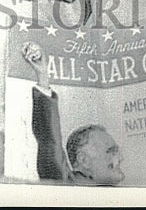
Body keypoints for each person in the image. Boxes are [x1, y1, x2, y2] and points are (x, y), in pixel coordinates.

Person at [22, 42, 124, 186]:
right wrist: (43, 75)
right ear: (84, 160)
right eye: (111, 151)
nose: (120, 158)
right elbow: (49, 141)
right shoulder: (69, 186)